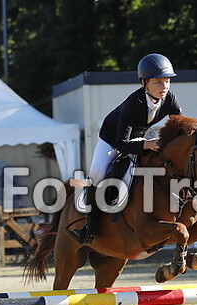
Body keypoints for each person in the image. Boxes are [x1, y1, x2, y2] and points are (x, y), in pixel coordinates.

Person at [77, 53, 182, 243]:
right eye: (158, 82)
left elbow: (178, 127)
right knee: (96, 175)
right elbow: (122, 144)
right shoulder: (134, 103)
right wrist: (147, 144)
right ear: (144, 83)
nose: (164, 87)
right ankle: (89, 228)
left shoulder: (170, 99)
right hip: (112, 140)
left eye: (167, 82)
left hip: (141, 135)